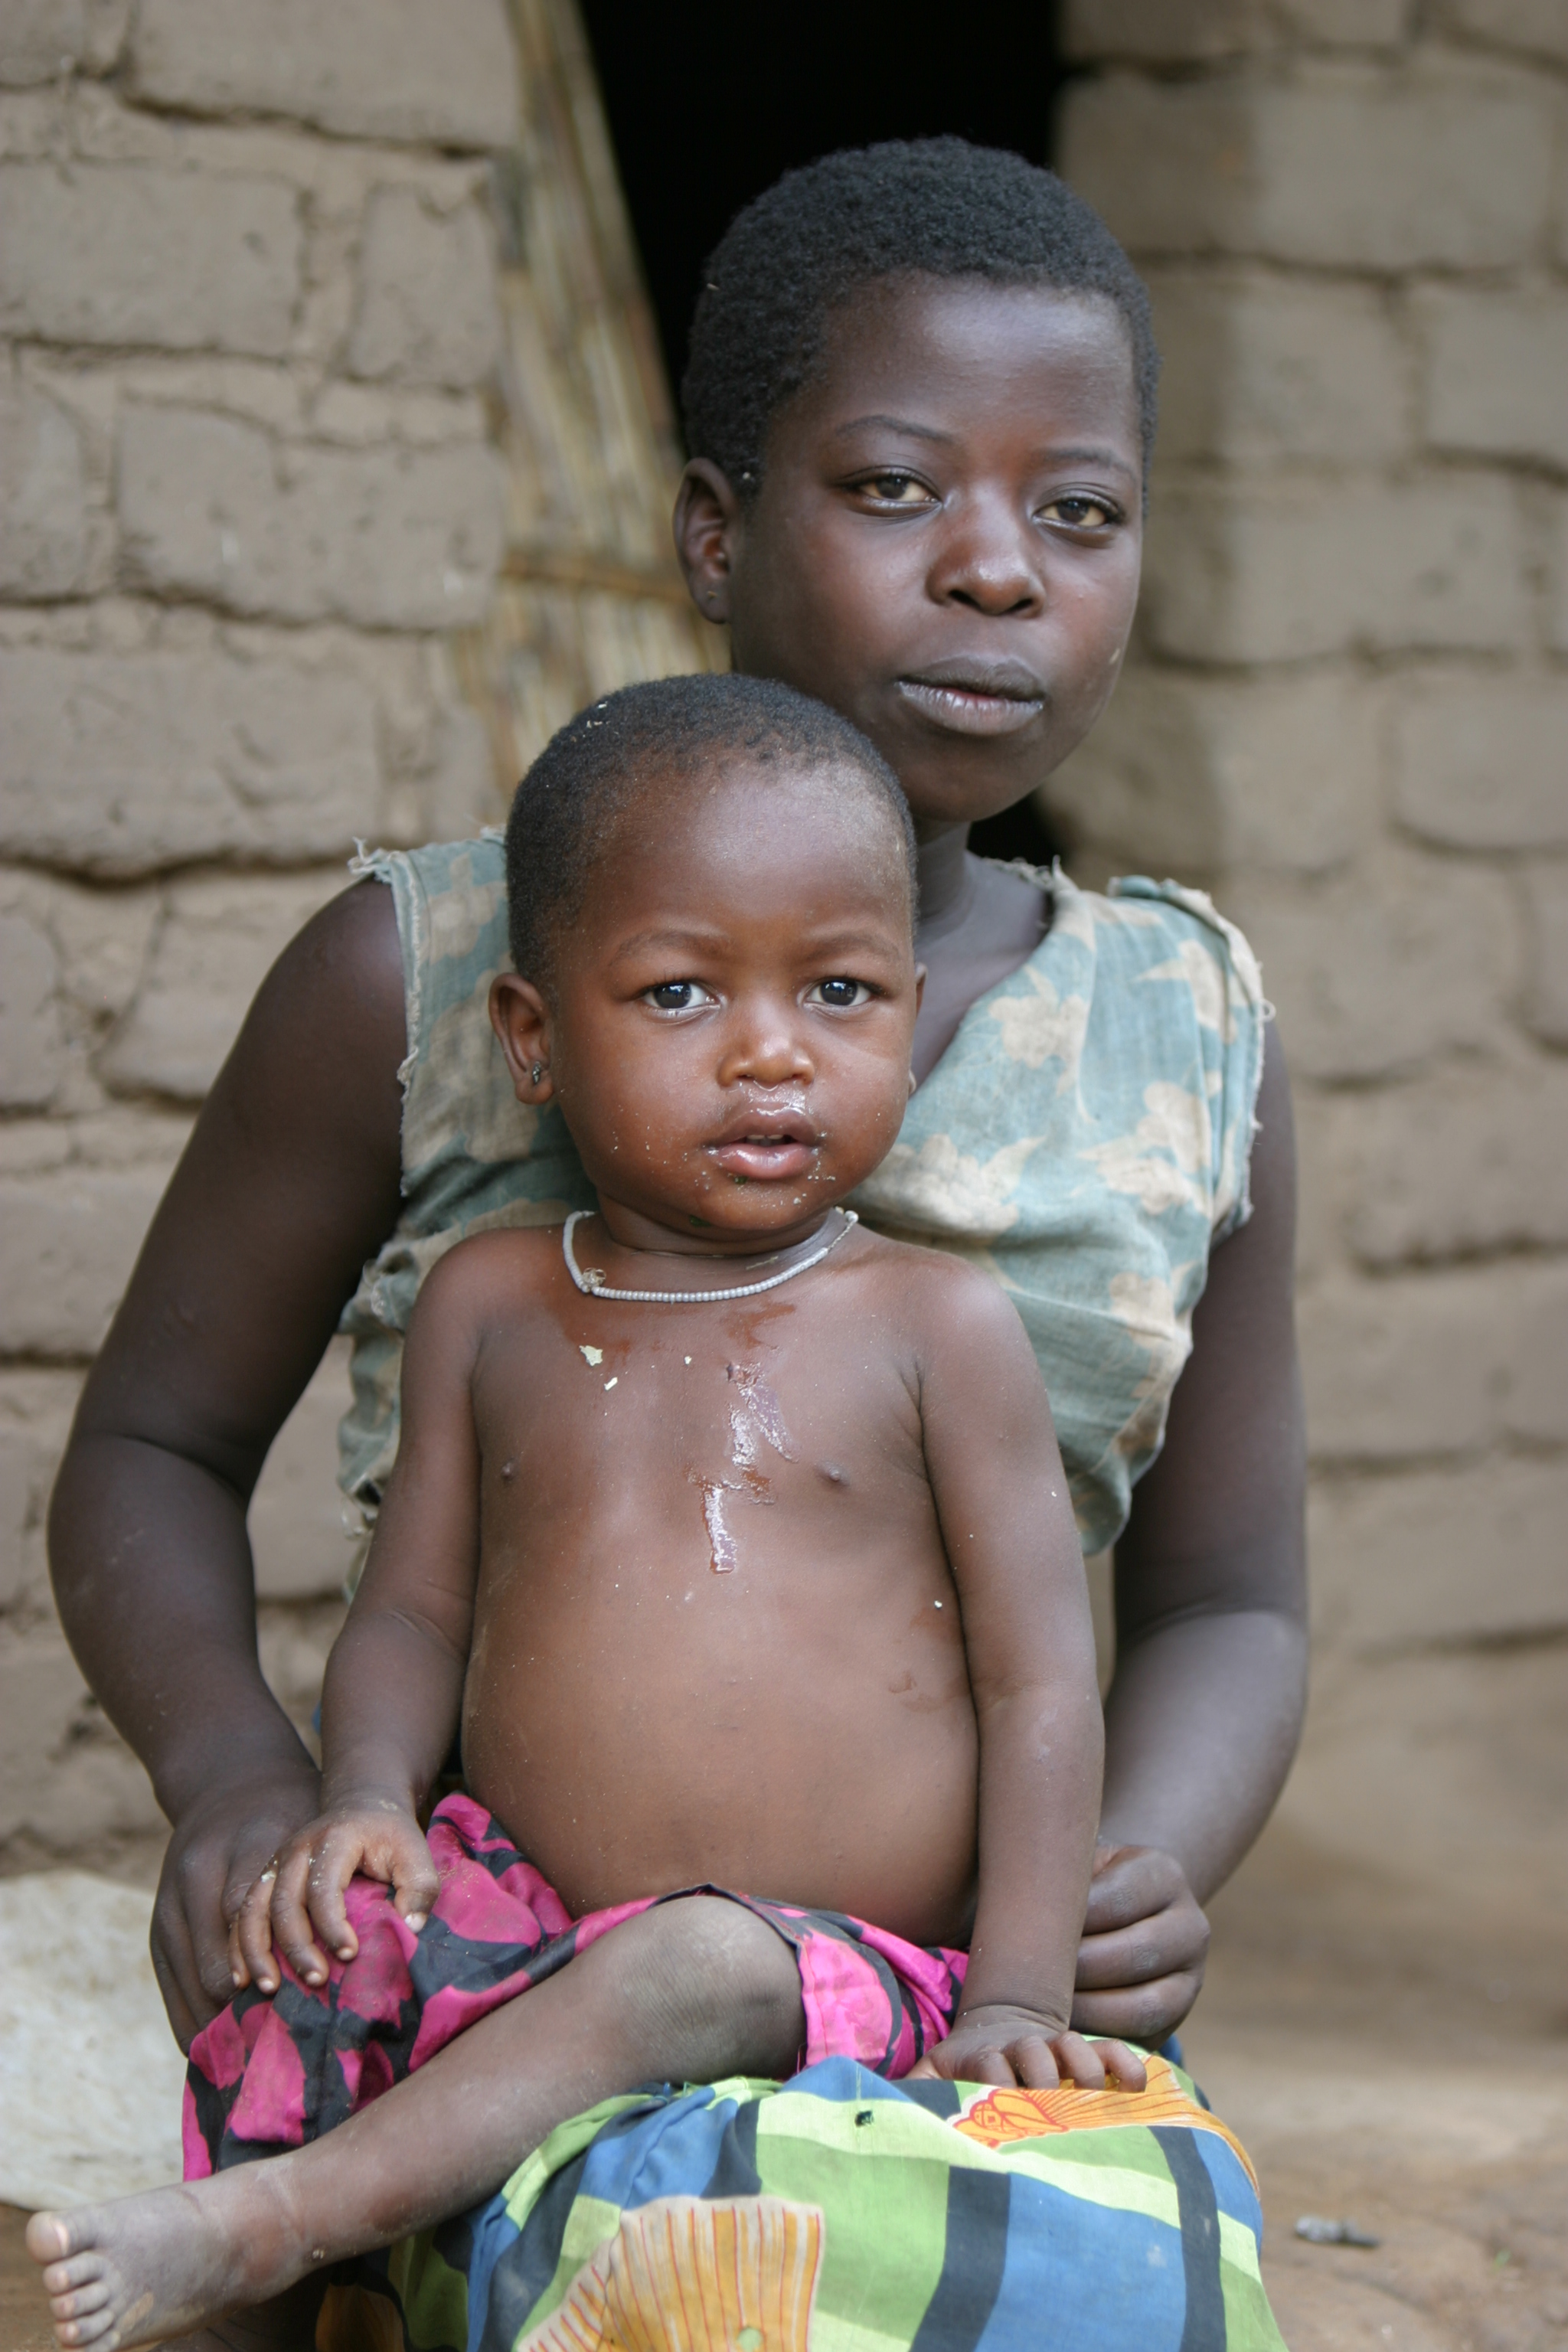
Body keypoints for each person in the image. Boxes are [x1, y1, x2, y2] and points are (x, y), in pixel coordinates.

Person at [45, 130, 1302, 2297]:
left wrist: (1132, 1872)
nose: (998, 569)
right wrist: (244, 1786)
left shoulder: (1185, 1038)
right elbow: (148, 1456)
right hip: (481, 1933)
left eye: (1075, 510)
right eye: (898, 487)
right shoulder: (423, 980)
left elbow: (1232, 1603)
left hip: (953, 1986)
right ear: (712, 530)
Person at [31, 673, 1163, 2352]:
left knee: (687, 1969)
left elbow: (1037, 1683)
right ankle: (276, 2312)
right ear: (534, 1038)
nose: (771, 1051)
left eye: (839, 992)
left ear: (908, 1020)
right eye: (683, 992)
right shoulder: (491, 1309)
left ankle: (270, 2230)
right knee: (292, 1935)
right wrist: (362, 1806)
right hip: (522, 1918)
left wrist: (1010, 1994)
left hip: (831, 1968)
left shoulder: (938, 1331)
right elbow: (415, 1613)